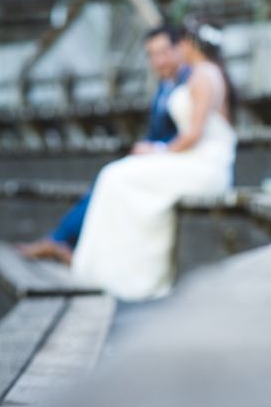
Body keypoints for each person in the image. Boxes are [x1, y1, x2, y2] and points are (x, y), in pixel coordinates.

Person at [70, 19, 237, 300]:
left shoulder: (202, 76)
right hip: (197, 161)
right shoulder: (209, 72)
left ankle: (117, 271)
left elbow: (193, 134)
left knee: (116, 175)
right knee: (117, 174)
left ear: (188, 44)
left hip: (203, 166)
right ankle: (108, 266)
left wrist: (156, 151)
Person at [18, 25, 191, 264]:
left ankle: (63, 242)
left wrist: (156, 149)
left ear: (179, 48)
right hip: (157, 157)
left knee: (109, 180)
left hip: (177, 161)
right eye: (152, 55)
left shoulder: (193, 81)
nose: (158, 61)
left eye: (163, 52)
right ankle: (66, 242)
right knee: (105, 182)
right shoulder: (164, 85)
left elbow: (192, 133)